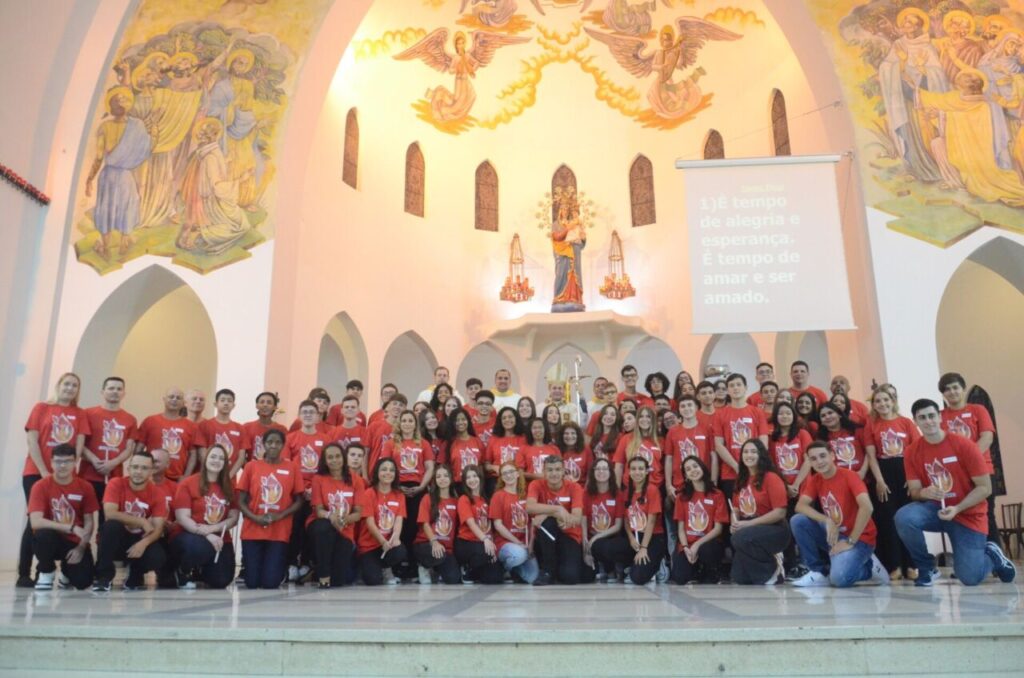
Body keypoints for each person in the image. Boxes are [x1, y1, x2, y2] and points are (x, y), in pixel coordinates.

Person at [894, 399, 1015, 587]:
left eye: (931, 416)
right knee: (904, 517)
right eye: (922, 417)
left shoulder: (964, 445)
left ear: (940, 417)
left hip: (967, 514)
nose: (928, 421)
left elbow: (985, 488)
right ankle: (927, 568)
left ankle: (991, 554)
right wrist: (925, 492)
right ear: (915, 421)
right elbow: (914, 491)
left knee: (969, 577)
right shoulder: (911, 451)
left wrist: (957, 508)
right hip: (936, 511)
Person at [20, 372, 91, 587]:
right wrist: (43, 471)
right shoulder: (41, 408)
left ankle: (66, 568)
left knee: (62, 518)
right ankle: (25, 573)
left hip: (66, 475)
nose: (70, 388)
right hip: (36, 471)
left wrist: (68, 471)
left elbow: (79, 446)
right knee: (34, 523)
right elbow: (32, 441)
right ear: (59, 385)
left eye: (75, 386)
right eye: (67, 384)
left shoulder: (80, 413)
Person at [790, 441, 889, 588]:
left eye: (823, 456)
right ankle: (818, 572)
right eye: (814, 459)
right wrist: (826, 520)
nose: (819, 462)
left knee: (839, 579)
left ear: (832, 455)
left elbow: (867, 507)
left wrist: (850, 541)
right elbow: (800, 506)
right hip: (834, 535)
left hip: (860, 538)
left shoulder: (850, 476)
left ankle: (869, 568)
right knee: (798, 521)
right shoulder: (816, 479)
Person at [236, 429, 305, 589]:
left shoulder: (292, 467)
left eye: (277, 442)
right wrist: (255, 518)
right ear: (263, 444)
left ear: (283, 445)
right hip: (253, 529)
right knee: (252, 583)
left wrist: (280, 515)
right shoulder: (251, 466)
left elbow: (299, 500)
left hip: (279, 530)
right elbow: (241, 500)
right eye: (269, 442)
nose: (273, 445)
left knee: (270, 583)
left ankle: (282, 572)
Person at [92, 451, 168, 591]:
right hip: (118, 539)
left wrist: (143, 544)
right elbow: (110, 513)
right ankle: (103, 577)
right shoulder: (116, 483)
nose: (138, 472)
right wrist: (142, 521)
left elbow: (157, 529)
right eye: (135, 467)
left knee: (158, 557)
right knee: (110, 526)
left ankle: (136, 574)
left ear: (151, 471)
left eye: (144, 468)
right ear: (129, 469)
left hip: (139, 539)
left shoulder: (158, 493)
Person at [864, 385, 919, 580]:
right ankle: (894, 564)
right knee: (888, 520)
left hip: (905, 471)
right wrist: (879, 480)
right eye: (877, 401)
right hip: (884, 471)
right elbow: (871, 456)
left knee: (908, 518)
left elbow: (916, 451)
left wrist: (912, 477)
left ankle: (911, 564)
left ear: (893, 401)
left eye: (885, 400)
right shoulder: (871, 425)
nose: (882, 404)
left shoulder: (906, 422)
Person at [937, 372, 1000, 542]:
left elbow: (987, 437)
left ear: (963, 389)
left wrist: (968, 462)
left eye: (955, 387)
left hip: (982, 471)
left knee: (987, 516)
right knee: (961, 519)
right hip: (956, 477)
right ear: (943, 394)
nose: (952, 392)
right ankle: (974, 562)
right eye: (947, 389)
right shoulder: (940, 416)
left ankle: (997, 563)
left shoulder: (978, 410)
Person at [28, 444, 98, 590]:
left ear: (75, 462)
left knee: (83, 582)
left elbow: (89, 522)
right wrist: (70, 527)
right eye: (58, 461)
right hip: (51, 539)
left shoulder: (85, 487)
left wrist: (81, 547)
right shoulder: (40, 486)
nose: (63, 465)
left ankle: (66, 573)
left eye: (67, 461)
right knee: (42, 535)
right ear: (52, 462)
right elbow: (35, 522)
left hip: (74, 543)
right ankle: (47, 571)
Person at [169, 444, 239, 589]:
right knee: (199, 548)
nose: (216, 460)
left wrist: (213, 528)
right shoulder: (188, 483)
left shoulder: (229, 486)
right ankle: (182, 570)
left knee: (221, 581)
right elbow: (182, 517)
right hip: (189, 535)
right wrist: (207, 534)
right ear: (205, 459)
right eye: (213, 456)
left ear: (225, 464)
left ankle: (200, 572)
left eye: (221, 458)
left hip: (219, 538)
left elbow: (233, 517)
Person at [284, 399, 334, 582]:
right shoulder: (291, 438)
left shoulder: (326, 439)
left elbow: (328, 468)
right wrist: (300, 489)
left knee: (310, 527)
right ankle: (290, 563)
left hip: (317, 492)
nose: (307, 415)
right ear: (299, 415)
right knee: (294, 527)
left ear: (318, 416)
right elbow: (288, 467)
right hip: (296, 491)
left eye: (311, 412)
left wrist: (314, 490)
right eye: (304, 411)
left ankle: (306, 562)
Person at [380, 409, 434, 576]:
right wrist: (396, 486)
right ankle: (397, 563)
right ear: (399, 423)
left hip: (418, 488)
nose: (407, 424)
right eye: (404, 420)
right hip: (397, 488)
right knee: (399, 527)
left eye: (411, 421)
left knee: (413, 527)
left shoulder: (423, 443)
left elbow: (430, 467)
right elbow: (385, 466)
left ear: (415, 424)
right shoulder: (390, 443)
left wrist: (421, 486)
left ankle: (412, 562)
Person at [730, 440, 790, 585]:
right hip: (750, 530)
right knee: (739, 578)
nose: (748, 455)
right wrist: (735, 524)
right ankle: (766, 564)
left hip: (775, 529)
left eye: (753, 452)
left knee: (740, 538)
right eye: (745, 452)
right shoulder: (741, 480)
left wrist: (748, 524)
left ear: (761, 455)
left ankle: (774, 570)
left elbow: (780, 512)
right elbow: (736, 509)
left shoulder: (771, 477)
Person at [81, 376, 137, 529]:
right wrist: (94, 460)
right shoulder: (87, 414)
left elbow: (129, 448)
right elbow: (79, 444)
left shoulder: (130, 419)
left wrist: (113, 463)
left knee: (107, 521)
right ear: (103, 391)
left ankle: (103, 551)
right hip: (88, 475)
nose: (115, 392)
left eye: (119, 389)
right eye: (111, 388)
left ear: (124, 393)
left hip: (113, 478)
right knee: (81, 516)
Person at [307, 443, 363, 588]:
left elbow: (358, 513)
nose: (334, 460)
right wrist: (332, 517)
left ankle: (315, 572)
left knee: (339, 581)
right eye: (330, 457)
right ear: (325, 461)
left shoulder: (356, 479)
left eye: (337, 456)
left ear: (343, 458)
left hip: (345, 529)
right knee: (324, 529)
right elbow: (318, 510)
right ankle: (323, 575)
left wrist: (345, 519)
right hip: (322, 524)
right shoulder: (318, 479)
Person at [526, 455, 585, 585]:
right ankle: (547, 570)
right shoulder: (535, 484)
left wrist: (545, 513)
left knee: (570, 577)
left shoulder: (574, 488)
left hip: (569, 535)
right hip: (545, 537)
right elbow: (529, 507)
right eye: (550, 470)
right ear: (544, 472)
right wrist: (557, 510)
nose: (554, 474)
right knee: (548, 524)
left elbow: (576, 518)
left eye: (558, 470)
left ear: (564, 471)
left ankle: (557, 568)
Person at [671, 457, 727, 584]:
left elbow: (718, 529)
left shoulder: (717, 494)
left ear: (702, 467)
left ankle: (710, 570)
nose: (693, 470)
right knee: (680, 578)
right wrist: (685, 547)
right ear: (686, 476)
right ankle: (696, 570)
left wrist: (697, 544)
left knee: (706, 551)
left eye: (695, 466)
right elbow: (680, 529)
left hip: (708, 543)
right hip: (687, 543)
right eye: (688, 469)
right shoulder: (681, 496)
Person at [712, 373, 769, 499]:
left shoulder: (757, 412)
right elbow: (719, 445)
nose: (735, 388)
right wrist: (737, 466)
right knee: (734, 511)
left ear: (746, 387)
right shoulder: (720, 414)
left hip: (755, 471)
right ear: (727, 390)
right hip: (730, 473)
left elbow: (763, 443)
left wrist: (752, 466)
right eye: (731, 385)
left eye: (739, 384)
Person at [357, 458, 407, 585]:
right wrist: (382, 541)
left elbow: (398, 521)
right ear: (377, 473)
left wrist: (395, 538)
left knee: (400, 550)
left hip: (387, 545)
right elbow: (370, 522)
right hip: (370, 545)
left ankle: (386, 568)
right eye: (384, 469)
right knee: (372, 581)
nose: (388, 473)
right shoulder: (369, 493)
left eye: (391, 470)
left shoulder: (399, 495)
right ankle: (367, 567)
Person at [134, 387, 199, 481]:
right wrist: (139, 470)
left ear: (183, 403)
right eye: (171, 397)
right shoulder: (150, 421)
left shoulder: (191, 426)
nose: (174, 400)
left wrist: (186, 476)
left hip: (177, 479)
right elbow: (139, 448)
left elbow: (193, 455)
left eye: (178, 398)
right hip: (151, 477)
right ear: (164, 399)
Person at [490, 462, 540, 584]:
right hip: (505, 543)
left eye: (511, 472)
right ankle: (504, 568)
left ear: (518, 474)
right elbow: (498, 525)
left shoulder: (526, 495)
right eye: (504, 473)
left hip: (525, 544)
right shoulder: (498, 496)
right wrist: (517, 542)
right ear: (501, 477)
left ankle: (514, 570)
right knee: (519, 555)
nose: (508, 475)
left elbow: (533, 523)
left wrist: (530, 546)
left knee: (532, 577)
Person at [454, 465, 505, 584]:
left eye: (474, 476)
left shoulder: (486, 499)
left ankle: (475, 573)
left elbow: (490, 525)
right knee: (486, 553)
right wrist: (486, 540)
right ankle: (467, 568)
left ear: (480, 478)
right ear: (464, 481)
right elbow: (470, 523)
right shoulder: (464, 499)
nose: (472, 480)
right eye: (468, 478)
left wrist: (490, 543)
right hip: (467, 543)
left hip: (484, 542)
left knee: (495, 578)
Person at [622, 456, 668, 585]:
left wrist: (643, 548)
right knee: (604, 547)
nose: (637, 472)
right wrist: (631, 538)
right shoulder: (626, 492)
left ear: (647, 471)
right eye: (634, 469)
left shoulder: (652, 490)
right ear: (629, 472)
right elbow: (626, 519)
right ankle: (633, 564)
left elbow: (652, 522)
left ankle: (659, 563)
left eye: (641, 469)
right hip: (635, 536)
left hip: (652, 537)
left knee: (638, 578)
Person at [582, 458, 629, 582]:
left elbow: (618, 526)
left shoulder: (617, 494)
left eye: (605, 468)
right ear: (593, 472)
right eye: (598, 468)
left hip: (611, 537)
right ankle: (607, 569)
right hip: (592, 538)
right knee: (586, 574)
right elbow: (583, 521)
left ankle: (616, 568)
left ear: (610, 472)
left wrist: (597, 537)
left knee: (608, 547)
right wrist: (585, 545)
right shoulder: (586, 493)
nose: (601, 471)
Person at [414, 464, 461, 584]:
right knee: (437, 555)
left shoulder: (456, 501)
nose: (442, 479)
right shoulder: (427, 498)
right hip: (427, 543)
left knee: (453, 579)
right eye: (438, 476)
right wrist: (434, 542)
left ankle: (436, 569)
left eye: (446, 475)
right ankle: (424, 566)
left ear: (451, 479)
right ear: (434, 480)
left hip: (446, 548)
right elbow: (424, 523)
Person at [665, 396, 715, 497]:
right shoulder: (672, 432)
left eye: (689, 405)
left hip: (703, 482)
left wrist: (713, 481)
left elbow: (713, 457)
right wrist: (668, 484)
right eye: (682, 406)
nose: (686, 408)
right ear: (679, 409)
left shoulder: (707, 429)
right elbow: (669, 459)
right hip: (680, 483)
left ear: (696, 407)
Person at [196, 388, 250, 476]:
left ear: (233, 405)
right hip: (208, 476)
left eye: (229, 401)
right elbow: (202, 453)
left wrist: (229, 476)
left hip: (230, 479)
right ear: (215, 404)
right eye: (222, 400)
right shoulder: (205, 425)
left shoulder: (240, 428)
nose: (226, 403)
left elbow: (241, 457)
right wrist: (212, 473)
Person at [816, 402, 872, 481]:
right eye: (823, 416)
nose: (827, 417)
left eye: (830, 413)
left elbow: (869, 453)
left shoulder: (857, 430)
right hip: (838, 482)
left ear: (839, 414)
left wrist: (862, 472)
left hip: (863, 478)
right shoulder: (821, 440)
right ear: (821, 421)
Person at [613, 406, 662, 490]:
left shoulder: (661, 440)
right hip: (630, 488)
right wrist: (616, 488)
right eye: (641, 416)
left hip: (655, 488)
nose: (644, 419)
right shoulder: (626, 439)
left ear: (653, 420)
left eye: (648, 416)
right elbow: (619, 466)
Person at [485, 407, 525, 494]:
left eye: (510, 417)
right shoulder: (494, 439)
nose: (507, 420)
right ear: (500, 421)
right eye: (504, 418)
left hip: (518, 479)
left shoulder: (524, 439)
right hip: (497, 479)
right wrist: (494, 467)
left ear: (516, 418)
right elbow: (486, 465)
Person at [242, 392, 287, 462]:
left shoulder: (282, 430)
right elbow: (241, 456)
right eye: (262, 402)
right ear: (256, 405)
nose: (265, 405)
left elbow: (284, 455)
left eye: (269, 403)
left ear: (275, 407)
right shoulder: (246, 427)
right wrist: (249, 469)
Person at [445, 408, 483, 482]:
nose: (460, 422)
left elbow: (482, 465)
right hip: (458, 484)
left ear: (468, 421)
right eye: (457, 420)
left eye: (463, 419)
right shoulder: (448, 443)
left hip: (476, 484)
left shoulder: (477, 441)